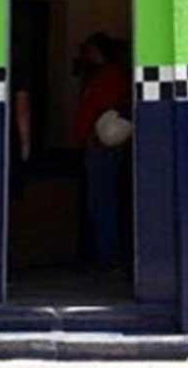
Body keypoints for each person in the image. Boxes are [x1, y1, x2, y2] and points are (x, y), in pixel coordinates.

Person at [72, 33, 131, 271]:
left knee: (101, 200)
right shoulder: (100, 76)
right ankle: (103, 253)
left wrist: (97, 137)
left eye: (90, 50)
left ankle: (107, 255)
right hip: (95, 144)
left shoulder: (111, 76)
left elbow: (108, 109)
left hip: (103, 146)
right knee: (100, 199)